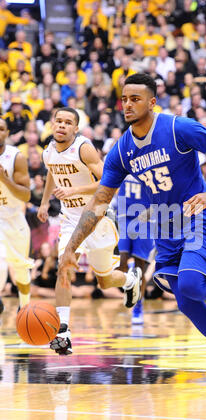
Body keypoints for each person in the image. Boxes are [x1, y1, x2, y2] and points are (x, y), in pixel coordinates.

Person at [57, 74, 206, 389]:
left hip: (196, 215)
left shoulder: (177, 128)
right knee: (185, 299)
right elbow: (100, 199)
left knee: (191, 285)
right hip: (165, 224)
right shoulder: (122, 149)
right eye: (124, 99)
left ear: (152, 102)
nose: (127, 104)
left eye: (135, 99)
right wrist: (71, 248)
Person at [37, 107, 142, 355]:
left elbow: (109, 181)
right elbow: (52, 171)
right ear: (53, 125)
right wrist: (44, 202)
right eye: (58, 121)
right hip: (71, 220)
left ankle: (129, 280)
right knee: (64, 263)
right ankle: (63, 330)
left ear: (76, 128)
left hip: (97, 218)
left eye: (67, 122)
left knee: (104, 281)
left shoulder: (83, 148)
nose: (61, 125)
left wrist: (74, 191)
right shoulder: (48, 152)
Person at [0, 117, 33, 315]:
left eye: (1, 128)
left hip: (14, 220)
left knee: (21, 269)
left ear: (7, 133)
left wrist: (5, 180)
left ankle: (25, 307)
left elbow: (26, 194)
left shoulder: (16, 157)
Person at [117, 174, 155, 325]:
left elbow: (161, 195)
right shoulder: (121, 157)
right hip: (124, 216)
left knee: (140, 267)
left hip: (144, 218)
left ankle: (138, 305)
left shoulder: (151, 164)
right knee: (122, 261)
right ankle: (129, 281)